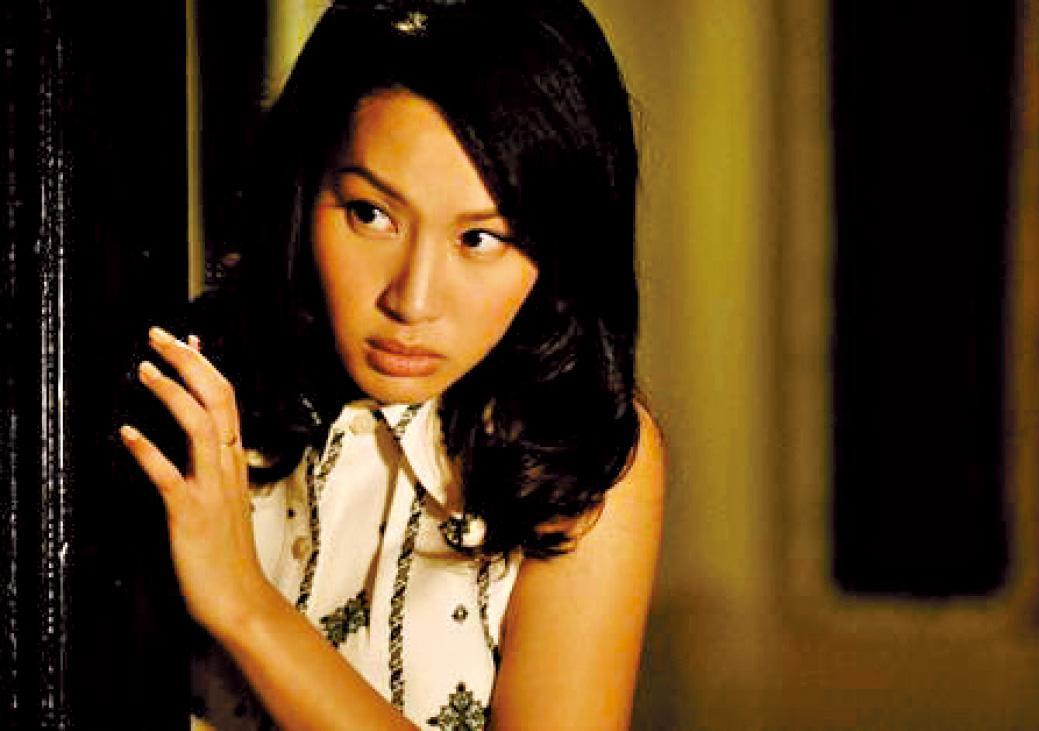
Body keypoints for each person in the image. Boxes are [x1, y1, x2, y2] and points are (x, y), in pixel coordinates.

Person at [117, 1, 664, 728]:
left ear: (561, 248)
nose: (412, 300)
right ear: (304, 189)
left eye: (480, 238)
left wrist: (243, 603)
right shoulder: (190, 387)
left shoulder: (582, 454)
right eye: (371, 214)